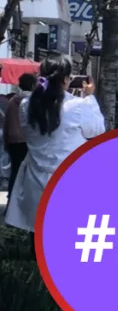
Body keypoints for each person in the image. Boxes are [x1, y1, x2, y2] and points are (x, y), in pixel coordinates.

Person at [4, 55, 105, 254]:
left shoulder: (27, 106)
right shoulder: (77, 107)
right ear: (66, 79)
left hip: (35, 180)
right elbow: (97, 130)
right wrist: (90, 98)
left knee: (38, 237)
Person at [4, 73, 36, 207]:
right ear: (33, 85)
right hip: (28, 142)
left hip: (13, 141)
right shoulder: (34, 101)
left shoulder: (11, 102)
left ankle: (11, 203)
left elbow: (6, 124)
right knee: (28, 175)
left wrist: (6, 142)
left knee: (15, 173)